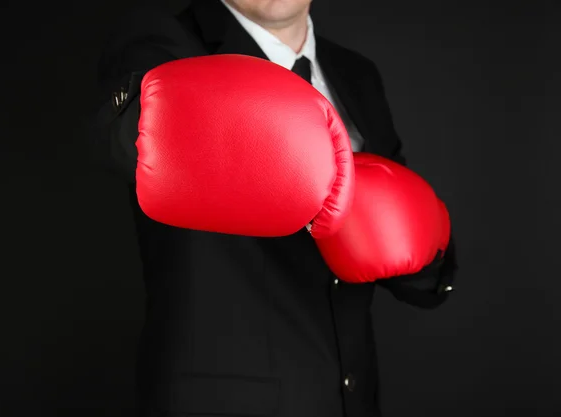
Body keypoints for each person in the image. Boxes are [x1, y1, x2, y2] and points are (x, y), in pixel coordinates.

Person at [92, 0, 459, 416]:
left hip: (351, 399)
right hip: (224, 402)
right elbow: (129, 134)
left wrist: (421, 252)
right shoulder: (164, 41)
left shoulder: (356, 73)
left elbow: (404, 234)